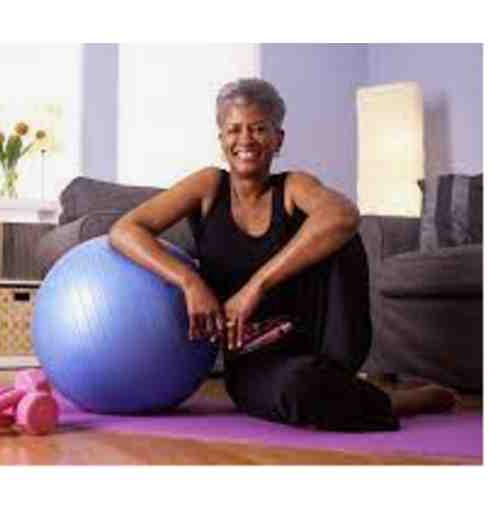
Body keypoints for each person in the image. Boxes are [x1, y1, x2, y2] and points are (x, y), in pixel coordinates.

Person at [109, 78, 456, 431]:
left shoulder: (292, 187)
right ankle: (392, 401)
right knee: (299, 389)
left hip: (323, 341)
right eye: (234, 129)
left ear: (278, 139)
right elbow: (125, 230)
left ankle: (345, 387)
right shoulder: (208, 186)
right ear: (221, 139)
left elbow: (344, 215)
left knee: (339, 233)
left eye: (259, 128)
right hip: (256, 359)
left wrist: (255, 287)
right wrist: (189, 281)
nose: (245, 140)